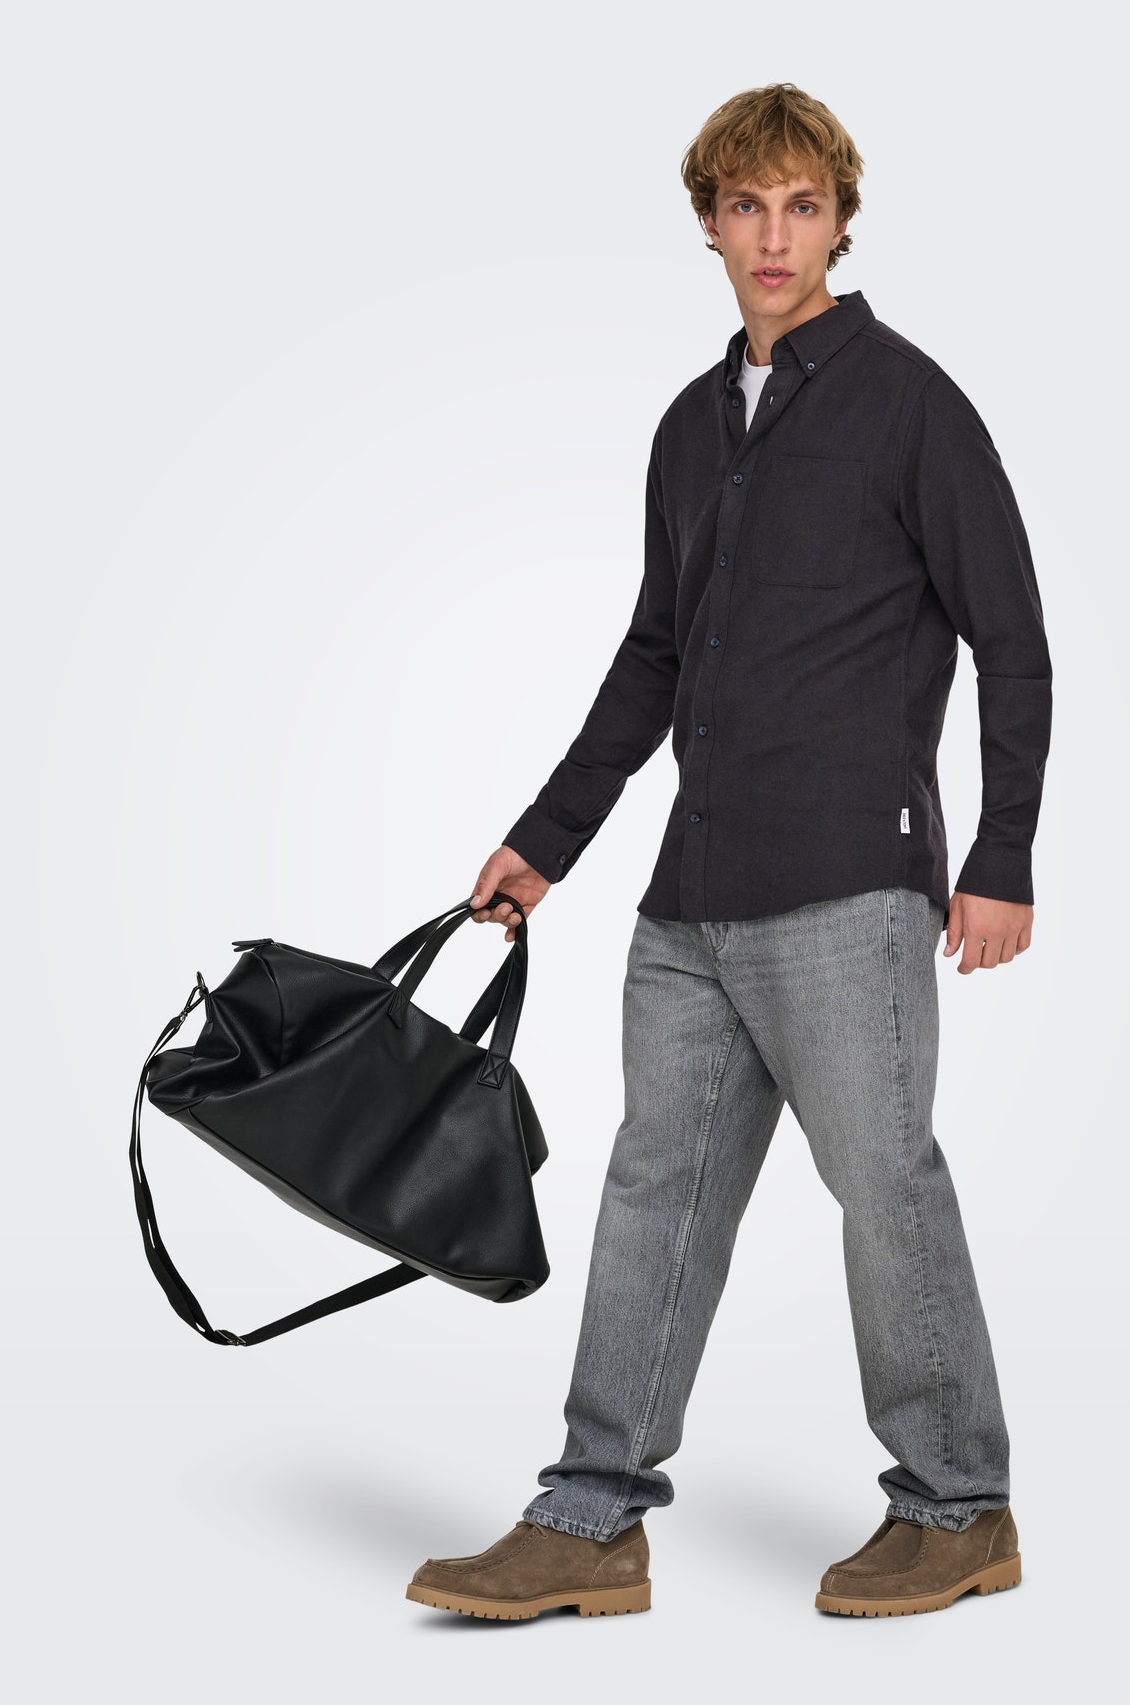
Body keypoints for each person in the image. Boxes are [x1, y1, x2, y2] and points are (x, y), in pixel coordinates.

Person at [406, 81, 1050, 1622]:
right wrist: (545, 842)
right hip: (691, 897)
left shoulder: (911, 404)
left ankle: (959, 1507)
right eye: (746, 207)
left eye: (801, 207)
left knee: (885, 1187)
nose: (774, 236)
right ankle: (590, 1517)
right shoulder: (689, 428)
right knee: (655, 1195)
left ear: (840, 222)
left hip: (850, 886)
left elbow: (1014, 642)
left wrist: (1003, 855)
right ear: (708, 222)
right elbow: (655, 656)